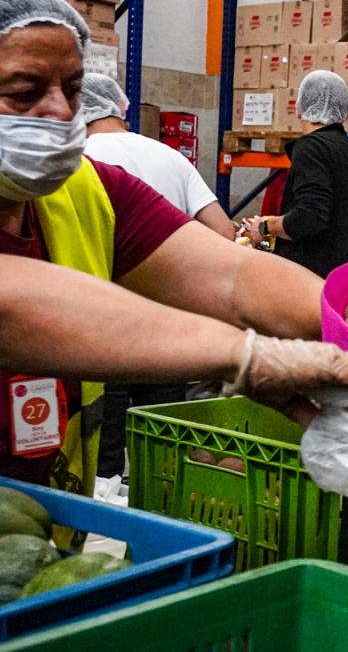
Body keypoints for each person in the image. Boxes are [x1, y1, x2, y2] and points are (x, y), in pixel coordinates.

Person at [0, 0, 348, 515]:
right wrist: (244, 355)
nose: (62, 112)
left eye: (72, 89)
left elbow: (231, 277)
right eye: (25, 92)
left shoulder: (88, 189)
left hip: (38, 539)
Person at [80, 71, 238, 477]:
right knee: (165, 438)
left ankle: (107, 521)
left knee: (106, 447)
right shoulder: (168, 155)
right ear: (121, 110)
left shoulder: (75, 156)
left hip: (101, 321)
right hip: (168, 323)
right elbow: (223, 231)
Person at [240, 70, 348, 278]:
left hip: (311, 281)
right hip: (343, 280)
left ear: (299, 108)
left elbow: (308, 219)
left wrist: (265, 225)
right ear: (346, 109)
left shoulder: (311, 148)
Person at [81, 73, 233, 239]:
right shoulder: (171, 156)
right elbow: (224, 230)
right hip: (175, 262)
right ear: (119, 107)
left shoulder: (81, 159)